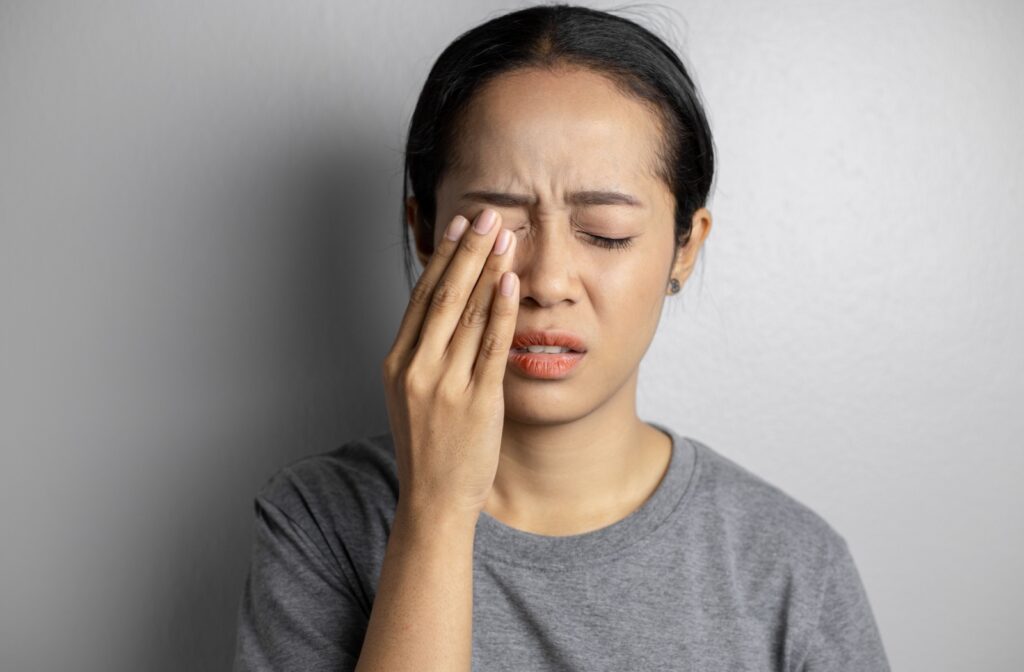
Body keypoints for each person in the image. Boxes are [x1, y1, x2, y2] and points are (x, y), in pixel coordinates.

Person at [232, 4, 891, 671]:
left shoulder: (791, 568)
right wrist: (436, 510)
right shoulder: (318, 520)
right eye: (497, 227)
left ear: (684, 249)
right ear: (426, 233)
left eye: (605, 232)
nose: (547, 281)